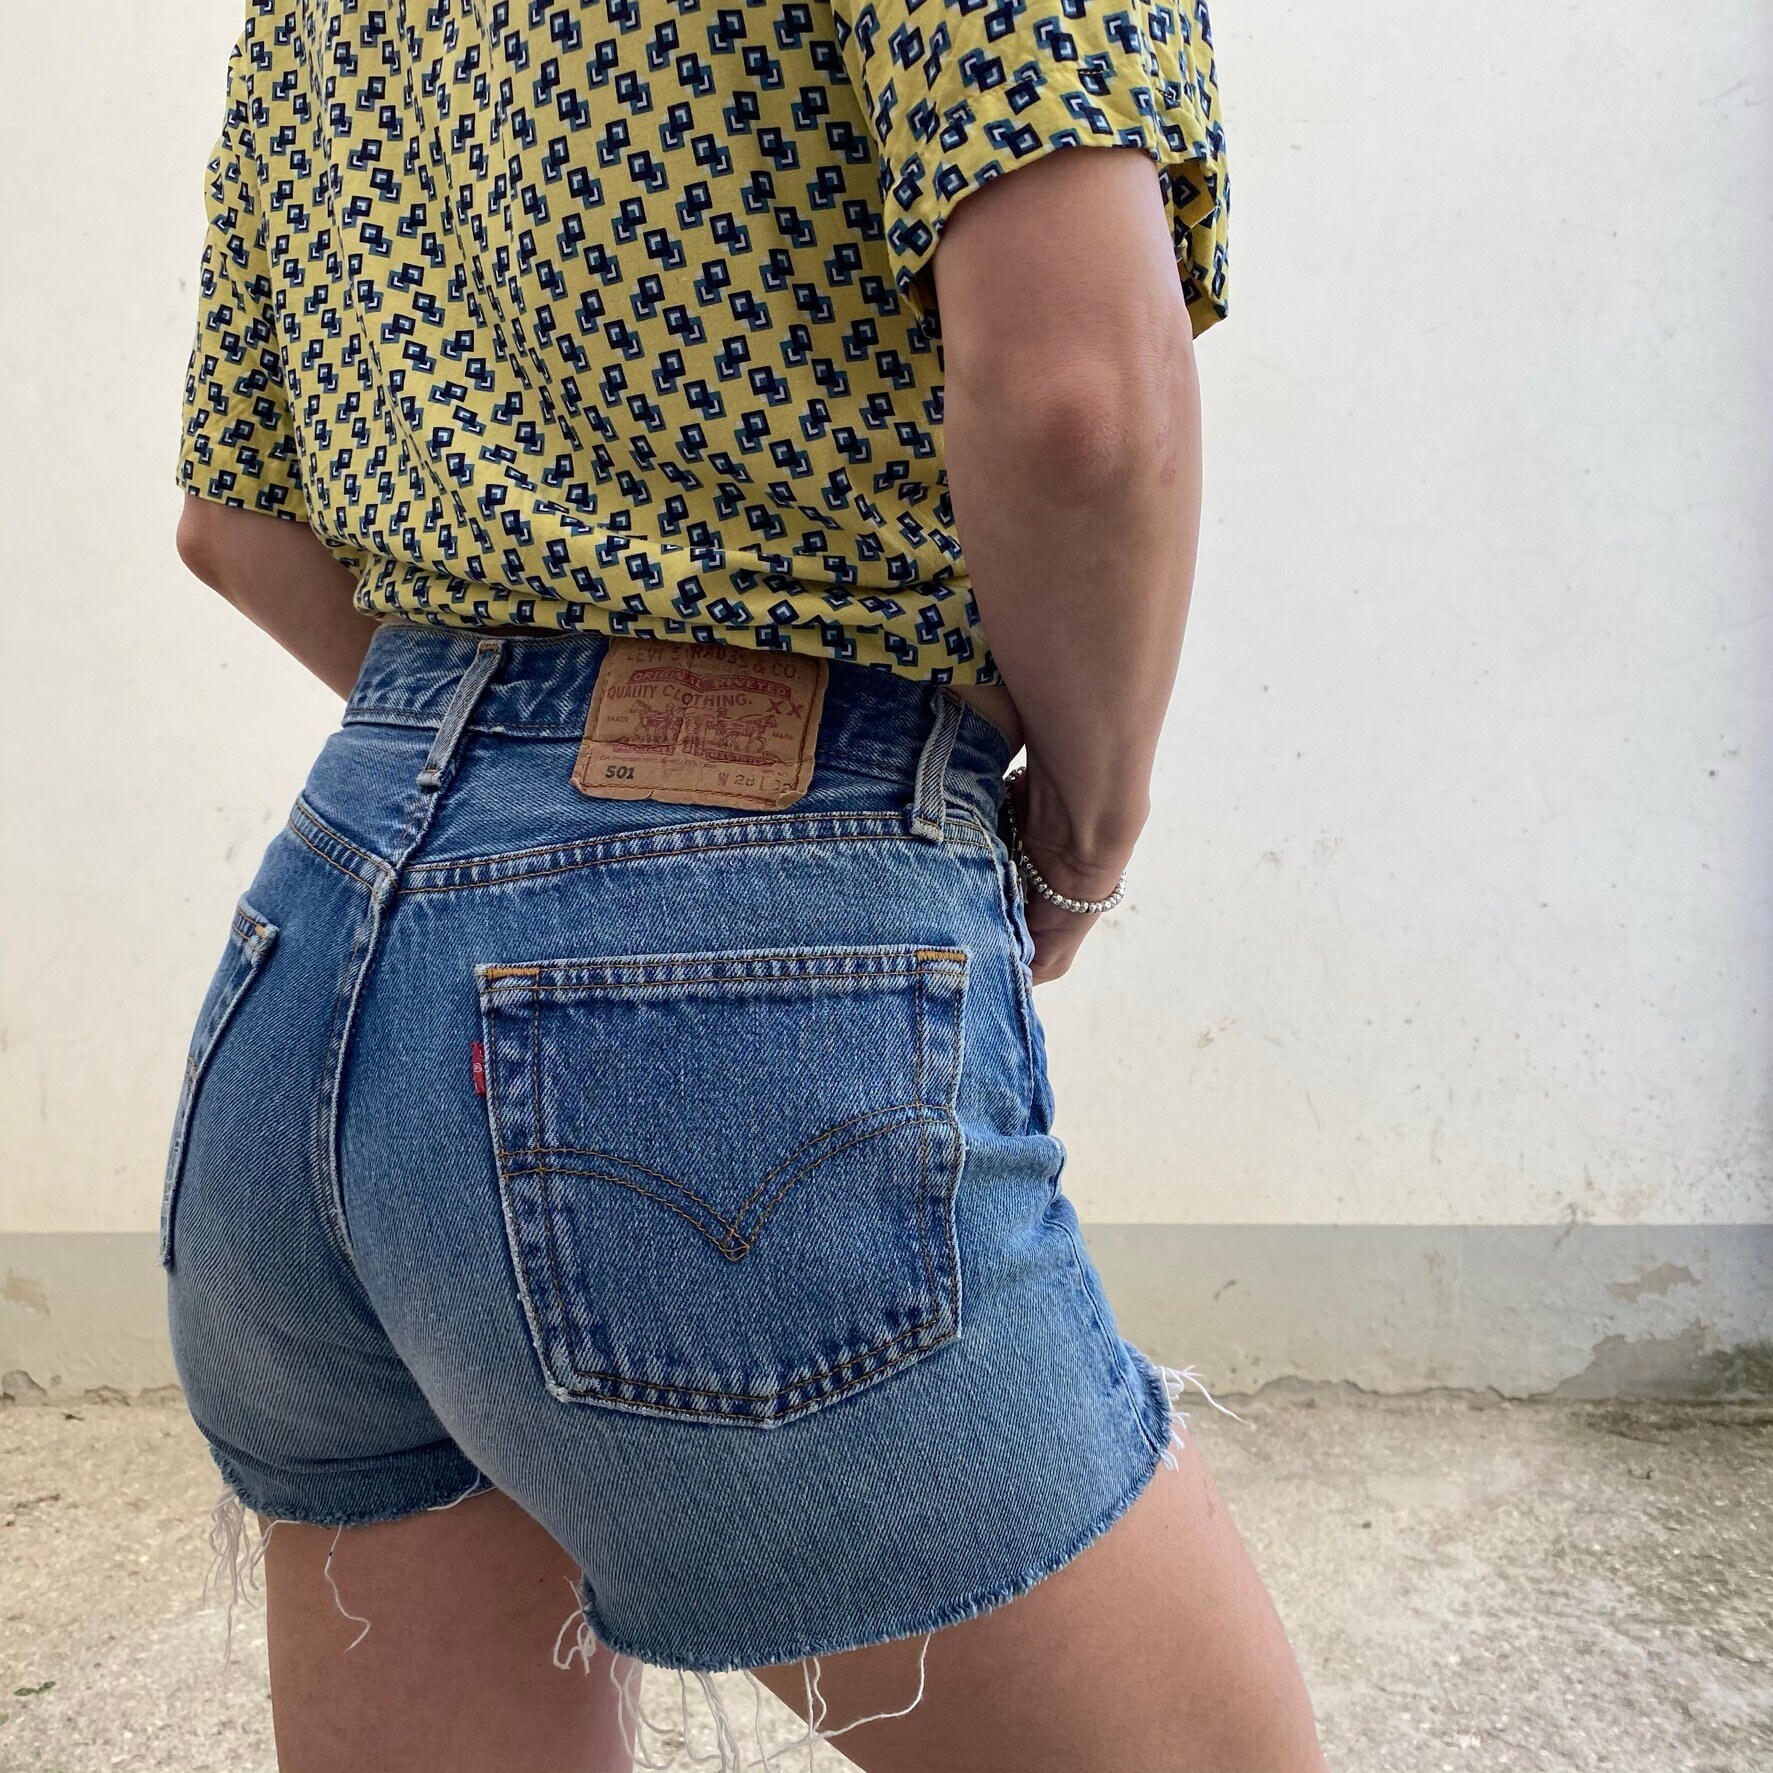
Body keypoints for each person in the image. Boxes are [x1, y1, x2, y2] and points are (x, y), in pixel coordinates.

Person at [165, 1, 1325, 1767]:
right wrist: (1081, 836)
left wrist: (514, 799)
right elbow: (1074, 397)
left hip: (309, 974)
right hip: (714, 996)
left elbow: (235, 525)